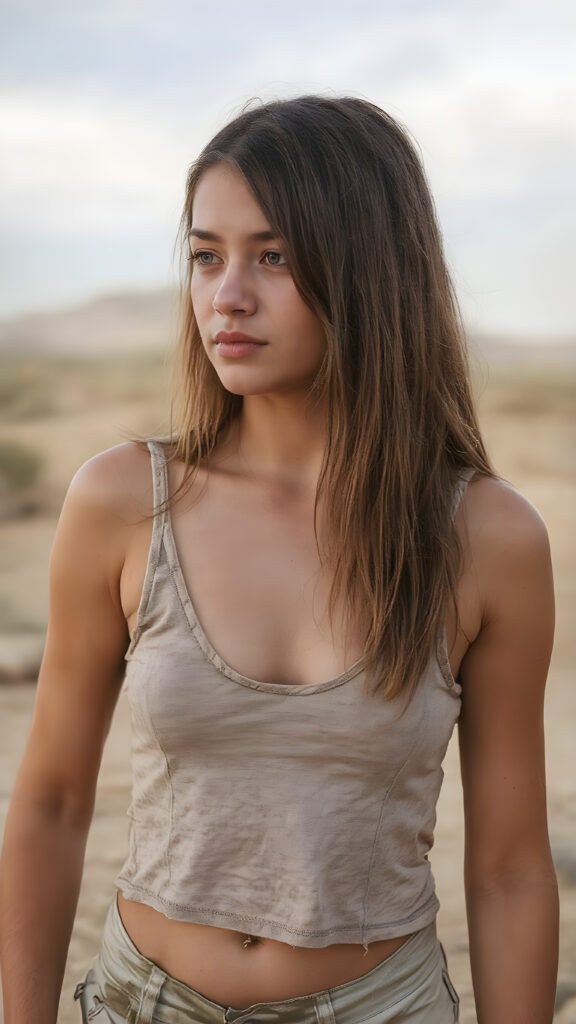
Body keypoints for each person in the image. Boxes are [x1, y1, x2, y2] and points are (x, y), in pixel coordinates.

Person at [0, 95, 559, 1024]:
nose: (228, 296)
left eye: (275, 256)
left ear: (370, 270)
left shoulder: (487, 538)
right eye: (207, 256)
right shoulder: (122, 503)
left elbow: (507, 870)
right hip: (146, 1004)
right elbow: (53, 803)